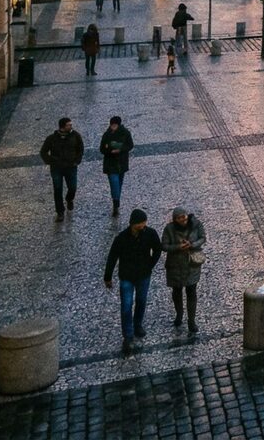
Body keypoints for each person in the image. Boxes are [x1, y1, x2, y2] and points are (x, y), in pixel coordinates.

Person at [103, 209, 163, 352]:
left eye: (144, 223)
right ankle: (128, 336)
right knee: (126, 305)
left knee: (141, 301)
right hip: (127, 276)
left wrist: (150, 265)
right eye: (141, 224)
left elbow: (158, 249)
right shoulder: (121, 238)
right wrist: (108, 276)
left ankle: (138, 325)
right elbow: (112, 257)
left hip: (143, 275)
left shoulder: (150, 233)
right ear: (133, 224)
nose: (143, 226)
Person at [161, 207, 206, 332]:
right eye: (179, 218)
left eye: (184, 217)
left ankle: (191, 321)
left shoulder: (196, 225)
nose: (183, 220)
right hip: (175, 266)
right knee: (177, 291)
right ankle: (179, 315)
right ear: (175, 219)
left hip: (192, 264)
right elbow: (164, 246)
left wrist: (192, 245)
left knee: (191, 291)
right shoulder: (169, 229)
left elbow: (202, 238)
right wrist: (178, 247)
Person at [39, 117, 84, 220]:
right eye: (69, 125)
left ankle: (69, 199)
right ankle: (60, 212)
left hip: (71, 167)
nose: (71, 126)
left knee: (73, 187)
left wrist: (77, 160)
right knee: (58, 189)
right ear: (63, 127)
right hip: (56, 168)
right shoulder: (52, 138)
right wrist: (51, 161)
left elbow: (80, 148)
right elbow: (43, 152)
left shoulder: (75, 136)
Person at [100, 116, 134, 214]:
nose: (113, 127)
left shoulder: (125, 133)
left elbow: (130, 145)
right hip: (110, 163)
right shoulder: (107, 135)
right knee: (114, 182)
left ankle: (116, 200)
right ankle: (116, 203)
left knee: (119, 183)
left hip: (121, 163)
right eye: (112, 125)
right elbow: (102, 149)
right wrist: (110, 151)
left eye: (114, 125)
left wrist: (121, 149)